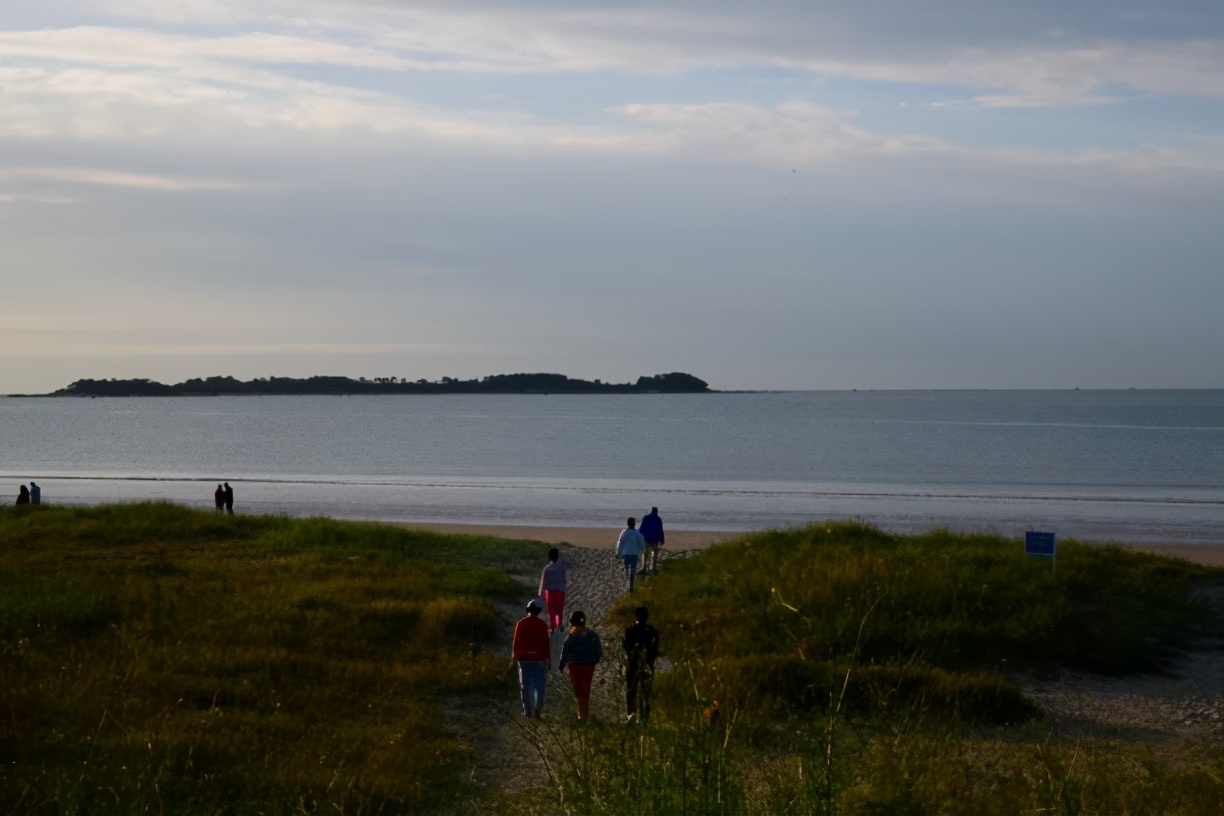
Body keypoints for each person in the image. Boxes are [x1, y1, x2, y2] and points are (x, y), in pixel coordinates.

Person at [558, 610, 602, 721]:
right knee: (586, 691)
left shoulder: (571, 637)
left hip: (576, 667)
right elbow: (598, 651)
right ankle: (584, 714)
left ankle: (582, 716)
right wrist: (594, 661)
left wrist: (561, 666)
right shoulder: (592, 634)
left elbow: (565, 653)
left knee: (579, 693)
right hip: (588, 666)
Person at [512, 598, 551, 719]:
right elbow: (546, 643)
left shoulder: (521, 623)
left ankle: (527, 712)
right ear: (538, 611)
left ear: (528, 610)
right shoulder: (542, 625)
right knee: (539, 687)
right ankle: (537, 711)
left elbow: (516, 642)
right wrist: (547, 658)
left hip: (523, 659)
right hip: (538, 659)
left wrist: (514, 656)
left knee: (525, 686)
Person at [623, 605, 660, 723]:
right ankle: (645, 717)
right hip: (647, 665)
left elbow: (627, 647)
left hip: (633, 664)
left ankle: (631, 715)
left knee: (631, 690)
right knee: (646, 692)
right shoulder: (652, 631)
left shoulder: (630, 630)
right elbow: (655, 649)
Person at [538, 547, 568, 634]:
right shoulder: (561, 567)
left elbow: (543, 582)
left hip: (550, 592)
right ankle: (559, 627)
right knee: (559, 611)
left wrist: (541, 594)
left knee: (551, 612)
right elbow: (564, 580)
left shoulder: (547, 568)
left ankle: (553, 629)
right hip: (560, 592)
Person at [616, 517, 646, 592]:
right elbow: (641, 543)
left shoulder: (625, 532)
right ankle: (631, 586)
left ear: (627, 523)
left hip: (626, 554)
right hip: (634, 555)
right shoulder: (637, 533)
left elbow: (620, 543)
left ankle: (627, 585)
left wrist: (618, 553)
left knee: (626, 570)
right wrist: (643, 550)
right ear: (634, 524)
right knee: (633, 571)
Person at [639, 507, 665, 574]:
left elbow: (642, 528)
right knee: (655, 554)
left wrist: (640, 536)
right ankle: (653, 568)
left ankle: (644, 567)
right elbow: (660, 530)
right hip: (654, 540)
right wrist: (662, 540)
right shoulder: (658, 519)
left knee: (645, 553)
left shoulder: (646, 518)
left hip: (646, 539)